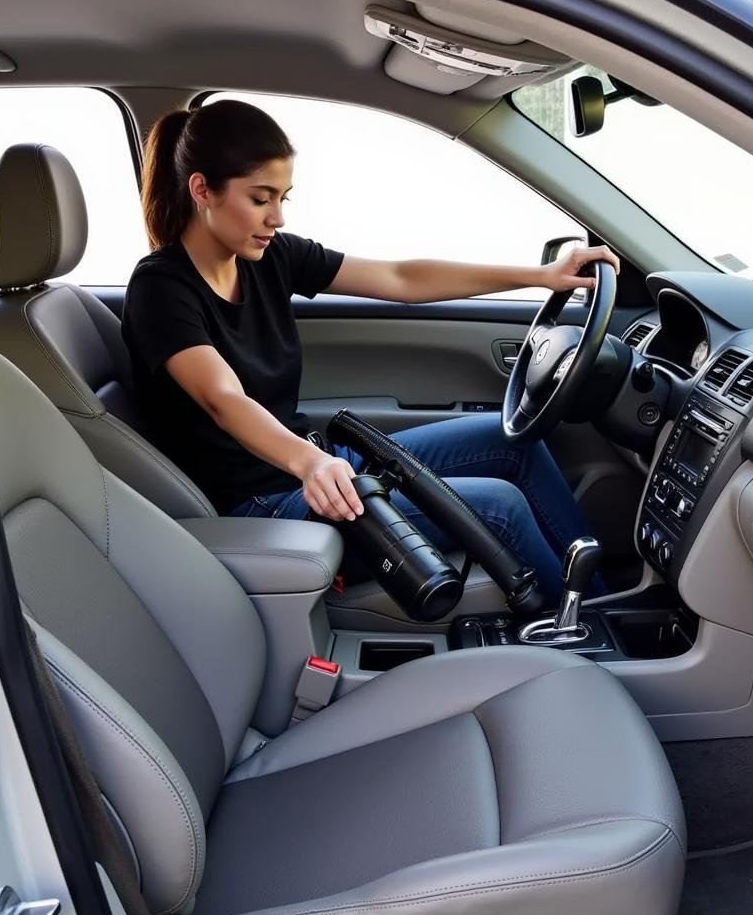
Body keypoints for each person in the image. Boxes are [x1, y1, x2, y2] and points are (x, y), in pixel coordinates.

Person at [121, 100, 617, 603]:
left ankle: (600, 603)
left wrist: (542, 276)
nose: (276, 217)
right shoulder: (161, 287)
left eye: (284, 197)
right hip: (261, 503)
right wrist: (308, 464)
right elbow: (221, 398)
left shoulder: (271, 256)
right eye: (260, 198)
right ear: (202, 189)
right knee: (500, 505)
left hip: (321, 465)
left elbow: (399, 278)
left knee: (515, 441)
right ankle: (587, 634)